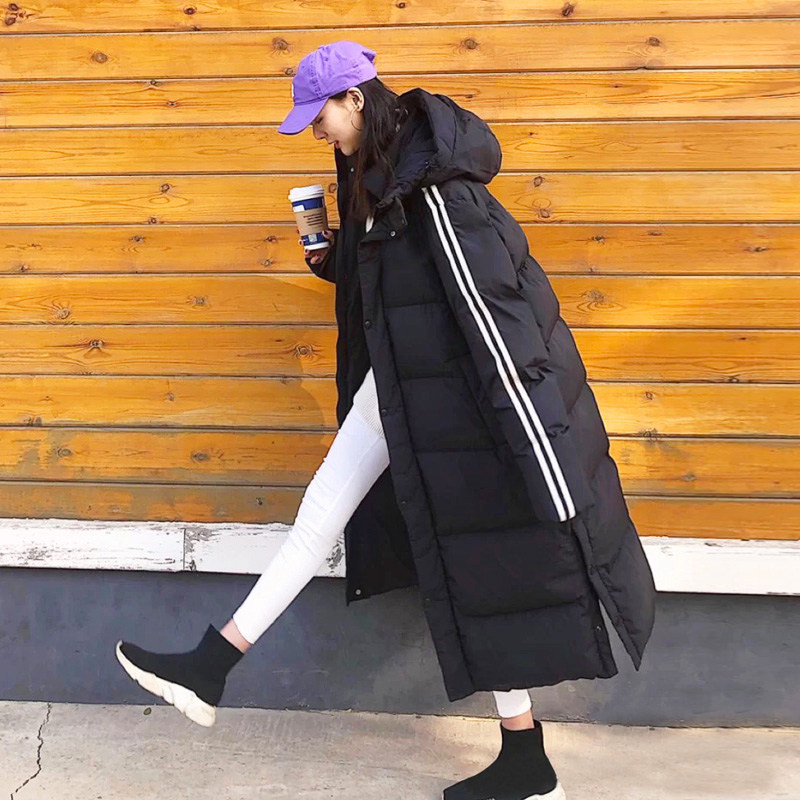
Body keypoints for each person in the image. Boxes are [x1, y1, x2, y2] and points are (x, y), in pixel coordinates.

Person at [116, 39, 656, 800]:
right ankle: (521, 758)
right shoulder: (384, 175)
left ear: (356, 100)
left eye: (321, 116)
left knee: (476, 567)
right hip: (408, 391)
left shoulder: (434, 191)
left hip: (458, 407)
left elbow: (495, 314)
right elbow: (395, 279)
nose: (317, 132)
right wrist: (333, 259)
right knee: (402, 544)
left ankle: (216, 667)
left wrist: (544, 453)